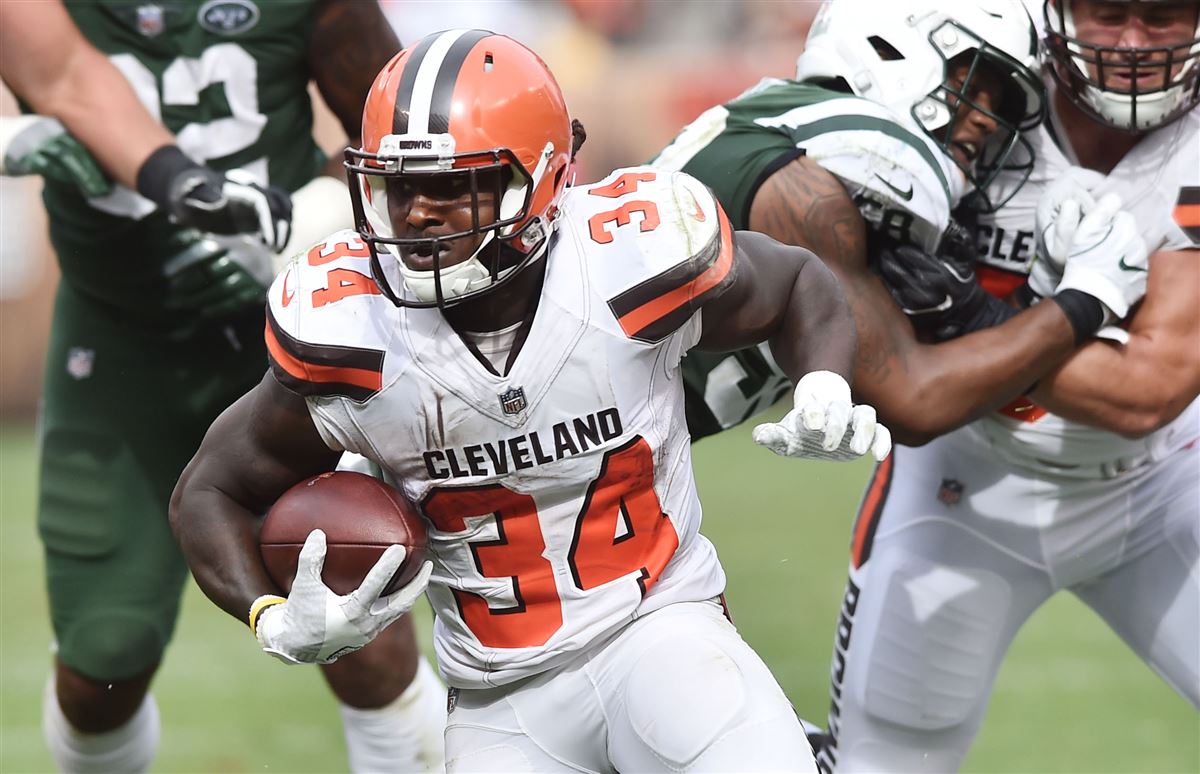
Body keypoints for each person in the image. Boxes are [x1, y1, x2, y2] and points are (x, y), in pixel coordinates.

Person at [170, 28, 892, 772]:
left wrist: (822, 382)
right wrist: (270, 615)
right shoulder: (353, 330)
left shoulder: (623, 263)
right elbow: (210, 490)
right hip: (499, 703)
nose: (416, 214)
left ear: (543, 179)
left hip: (661, 635)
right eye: (398, 185)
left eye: (453, 186)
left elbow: (798, 282)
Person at [0, 2, 445, 771]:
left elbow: (409, 150)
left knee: (362, 621)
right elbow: (62, 71)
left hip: (287, 343)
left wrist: (303, 235)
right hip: (117, 342)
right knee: (103, 659)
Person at [824, 0, 1200, 769]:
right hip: (965, 479)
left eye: (1163, 15)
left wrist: (966, 316)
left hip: (1166, 480)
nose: (1133, 43)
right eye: (1108, 13)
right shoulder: (977, 76)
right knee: (880, 762)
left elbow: (1146, 390)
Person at [654, 0, 1150, 450]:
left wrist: (1025, 299)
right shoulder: (805, 190)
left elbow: (945, 363)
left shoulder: (794, 136)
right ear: (892, 49)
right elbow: (917, 400)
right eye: (973, 85)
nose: (988, 123)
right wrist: (1087, 298)